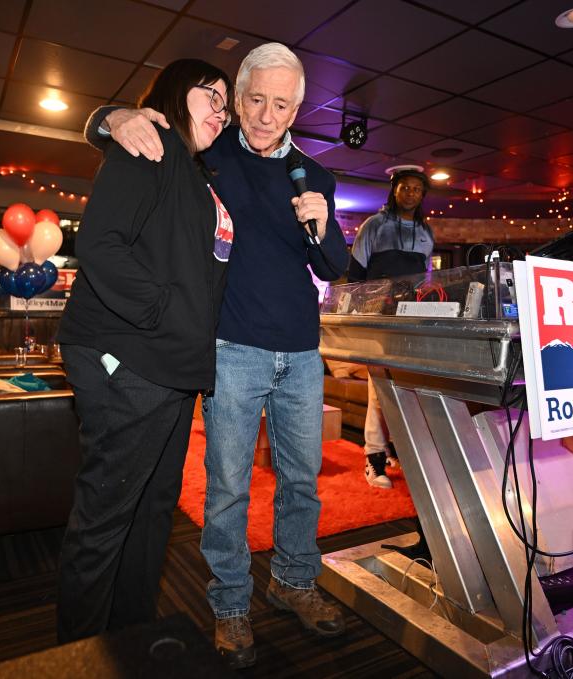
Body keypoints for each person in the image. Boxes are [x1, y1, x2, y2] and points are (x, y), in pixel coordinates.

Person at [85, 43, 349, 668]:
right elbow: (132, 134)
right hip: (232, 350)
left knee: (302, 484)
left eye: (280, 104)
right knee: (228, 489)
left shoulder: (316, 175)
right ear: (237, 96)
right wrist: (107, 118)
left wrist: (327, 222)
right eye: (254, 99)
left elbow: (334, 264)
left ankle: (293, 581)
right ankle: (230, 607)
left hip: (303, 355)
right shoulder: (209, 150)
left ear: (296, 110)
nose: (264, 115)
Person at [54, 59, 233, 644]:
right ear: (179, 94)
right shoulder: (148, 143)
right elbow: (101, 246)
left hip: (172, 368)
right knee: (106, 520)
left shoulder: (195, 170)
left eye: (226, 103)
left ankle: (129, 643)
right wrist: (162, 314)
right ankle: (80, 655)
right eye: (214, 95)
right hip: (133, 357)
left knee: (152, 515)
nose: (223, 110)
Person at [347, 167, 434, 488]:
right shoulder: (374, 226)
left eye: (416, 189)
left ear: (422, 195)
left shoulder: (426, 232)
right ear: (394, 190)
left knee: (404, 390)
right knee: (379, 389)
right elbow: (355, 273)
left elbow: (425, 281)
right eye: (404, 188)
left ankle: (397, 450)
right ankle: (373, 457)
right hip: (377, 318)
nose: (410, 193)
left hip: (410, 321)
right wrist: (357, 314)